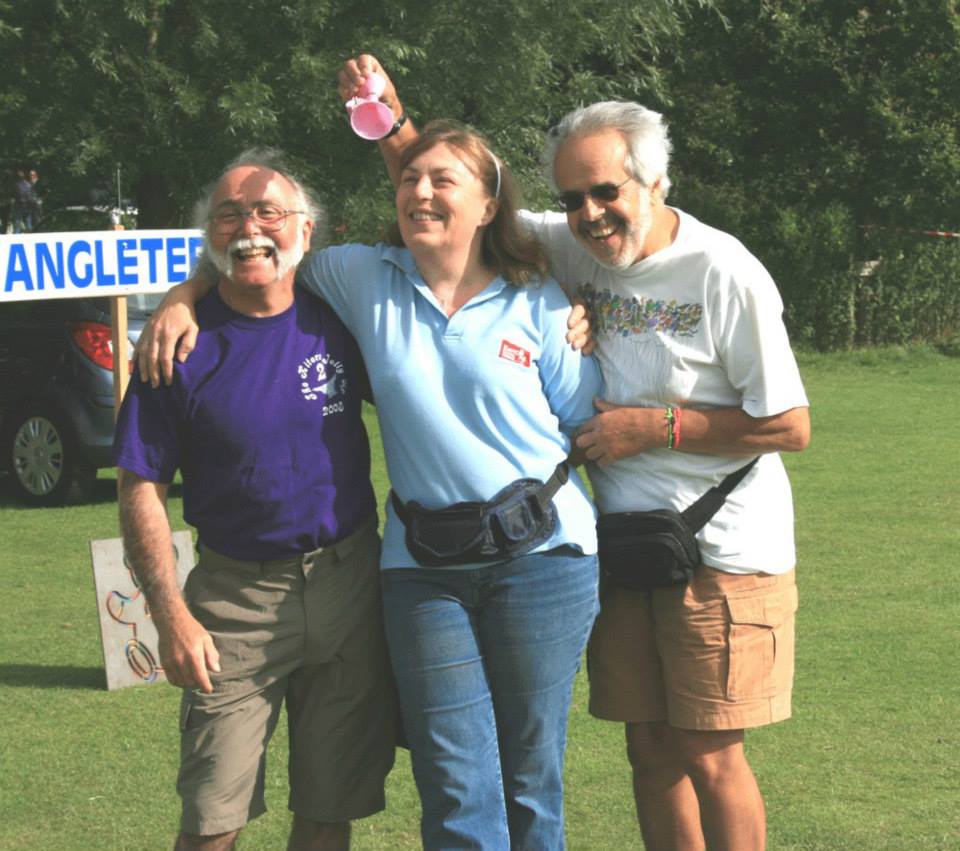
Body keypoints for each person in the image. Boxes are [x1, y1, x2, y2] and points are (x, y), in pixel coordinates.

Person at [339, 56, 812, 851]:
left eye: (606, 193)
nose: (590, 215)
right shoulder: (578, 248)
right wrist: (394, 122)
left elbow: (789, 423)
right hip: (624, 545)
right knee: (650, 748)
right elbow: (449, 193)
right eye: (572, 199)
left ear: (654, 184)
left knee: (708, 750)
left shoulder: (725, 270)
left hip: (724, 550)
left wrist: (650, 428)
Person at [136, 123, 604, 851]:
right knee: (447, 784)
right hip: (406, 573)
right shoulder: (356, 280)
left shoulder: (530, 299)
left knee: (518, 780)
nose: (421, 193)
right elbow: (252, 261)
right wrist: (182, 295)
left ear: (489, 204)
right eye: (409, 181)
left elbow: (588, 427)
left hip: (518, 560)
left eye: (444, 181)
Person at [113, 149, 397, 851]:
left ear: (306, 229)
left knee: (331, 808)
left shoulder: (342, 316)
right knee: (214, 818)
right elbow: (139, 487)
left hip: (349, 581)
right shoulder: (175, 345)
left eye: (268, 210)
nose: (250, 227)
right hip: (234, 600)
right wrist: (168, 613)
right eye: (230, 214)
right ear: (209, 236)